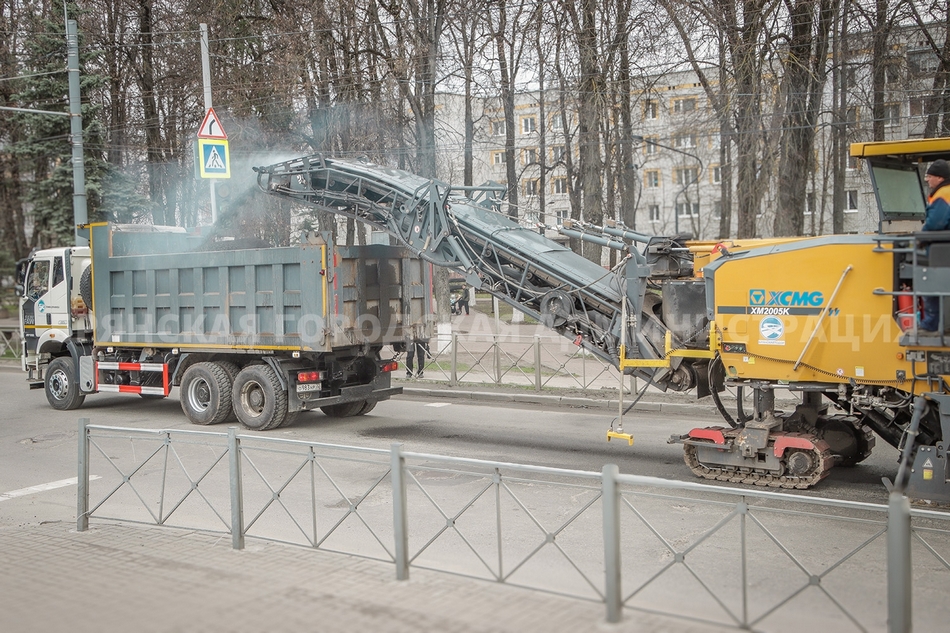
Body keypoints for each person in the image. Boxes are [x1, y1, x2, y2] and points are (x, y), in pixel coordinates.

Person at [918, 158, 950, 334]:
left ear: (939, 177)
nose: (927, 180)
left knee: (928, 279)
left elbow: (936, 222)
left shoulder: (943, 194)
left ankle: (931, 324)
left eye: (929, 176)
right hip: (944, 247)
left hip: (942, 250)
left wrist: (920, 238)